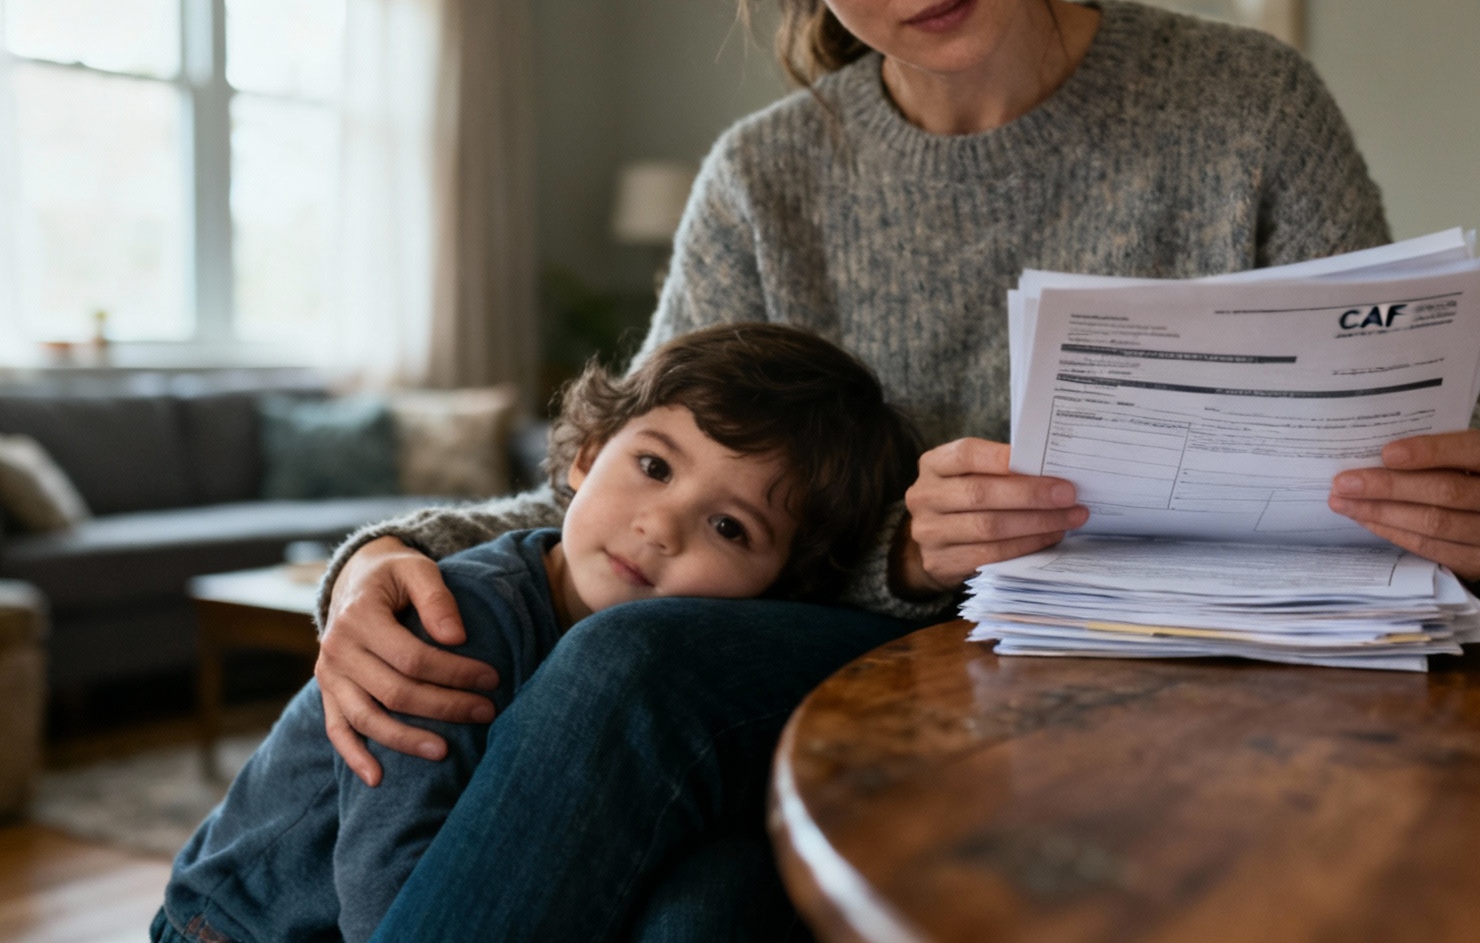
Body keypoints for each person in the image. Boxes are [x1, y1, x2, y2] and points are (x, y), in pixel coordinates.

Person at [313, 0, 1480, 938]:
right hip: (851, 688)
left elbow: (1428, 425)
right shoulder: (762, 182)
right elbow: (624, 491)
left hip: (1203, 683)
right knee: (653, 761)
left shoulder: (1248, 106)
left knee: (700, 898)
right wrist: (383, 554)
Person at [152, 324, 920, 943]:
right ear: (587, 456)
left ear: (777, 591)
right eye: (653, 466)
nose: (660, 526)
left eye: (728, 526)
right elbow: (388, 897)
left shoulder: (670, 676)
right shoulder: (457, 622)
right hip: (239, 926)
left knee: (723, 887)